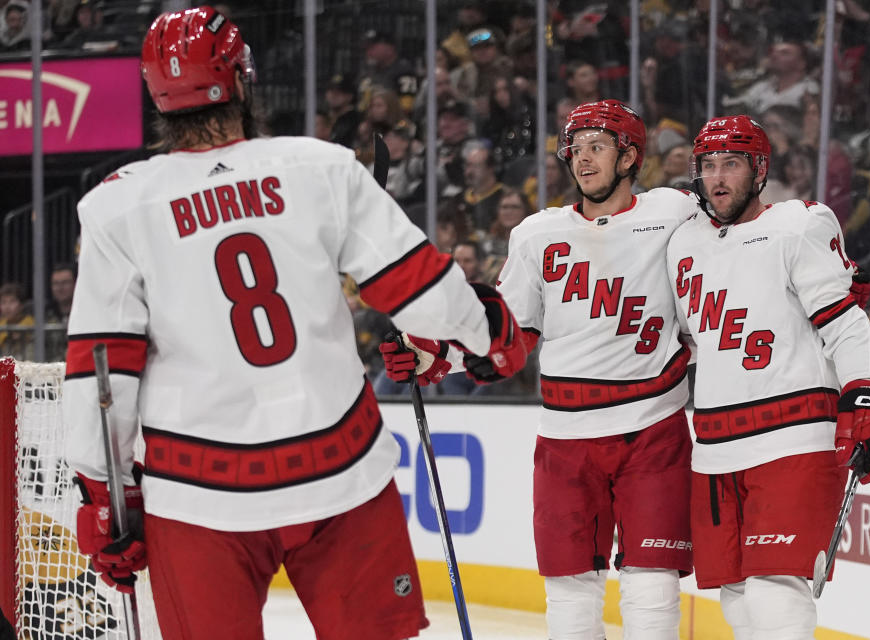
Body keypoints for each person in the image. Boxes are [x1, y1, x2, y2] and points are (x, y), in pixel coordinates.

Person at [60, 7, 528, 640]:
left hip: (197, 493)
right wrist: (490, 337)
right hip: (340, 469)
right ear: (242, 78)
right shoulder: (318, 166)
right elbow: (420, 288)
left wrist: (103, 496)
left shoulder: (118, 203)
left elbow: (100, 370)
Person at [383, 100, 701, 639]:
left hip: (653, 427)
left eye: (597, 147)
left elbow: (736, 250)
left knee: (652, 588)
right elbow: (507, 330)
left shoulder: (675, 213)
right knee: (570, 593)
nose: (582, 160)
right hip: (565, 435)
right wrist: (434, 352)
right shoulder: (536, 234)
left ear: (630, 157)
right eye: (575, 149)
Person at [666, 115, 870, 639]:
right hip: (717, 444)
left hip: (794, 437)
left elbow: (845, 322)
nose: (718, 177)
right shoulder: (684, 244)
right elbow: (689, 340)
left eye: (732, 164)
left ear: (760, 169)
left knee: (775, 591)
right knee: (739, 600)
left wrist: (864, 396)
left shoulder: (797, 224)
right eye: (708, 165)